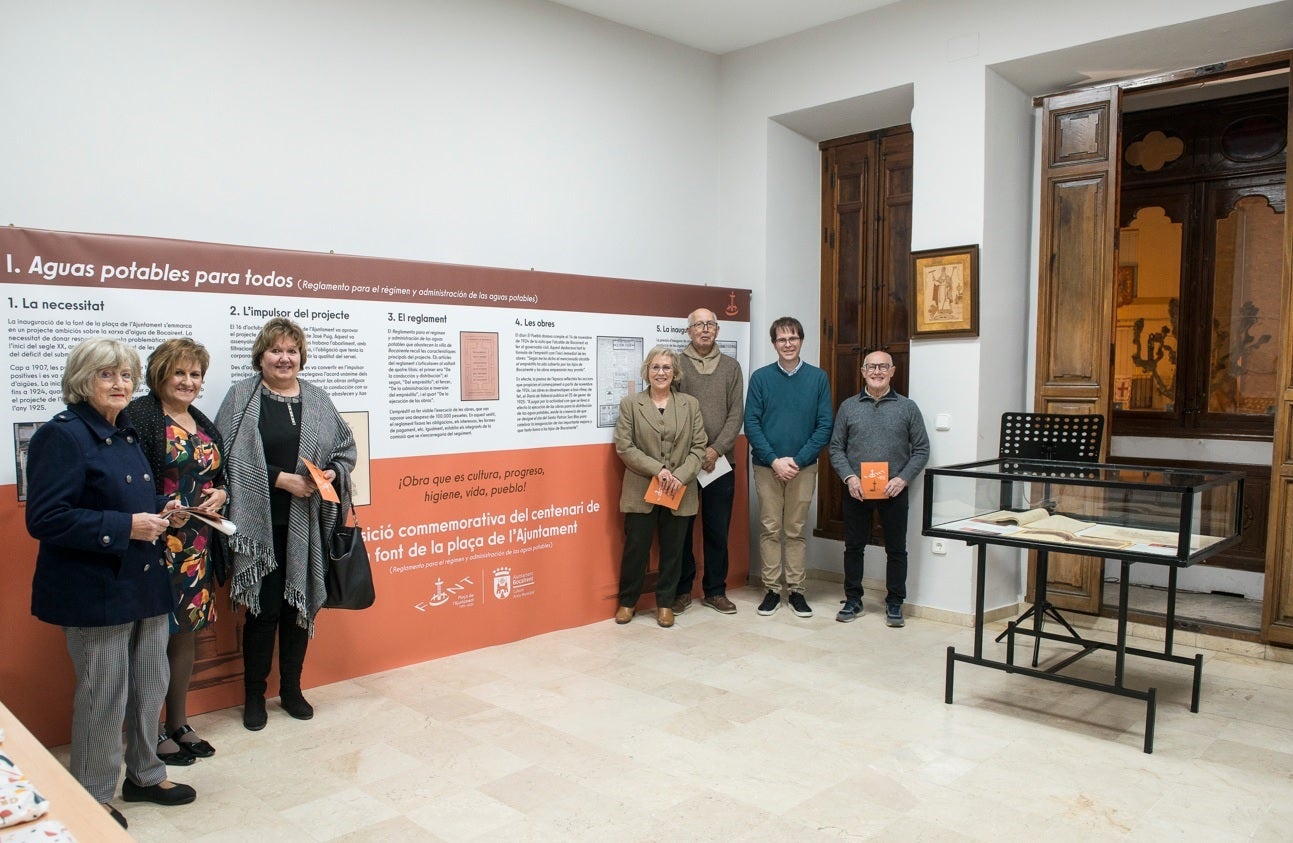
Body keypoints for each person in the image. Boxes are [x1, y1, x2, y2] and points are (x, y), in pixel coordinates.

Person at [26, 338, 197, 830]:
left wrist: (163, 512)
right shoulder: (61, 435)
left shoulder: (123, 431)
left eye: (126, 375)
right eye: (107, 375)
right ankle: (92, 795)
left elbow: (125, 501)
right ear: (83, 380)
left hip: (142, 581)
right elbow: (46, 518)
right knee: (103, 695)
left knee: (150, 684)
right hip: (94, 588)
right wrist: (126, 527)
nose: (120, 384)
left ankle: (145, 775)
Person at [216, 318, 356, 730]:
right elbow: (225, 456)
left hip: (305, 524)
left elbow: (345, 450)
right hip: (258, 527)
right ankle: (254, 697)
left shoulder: (317, 398)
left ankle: (292, 690)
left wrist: (330, 473)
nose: (284, 358)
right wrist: (281, 479)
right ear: (260, 356)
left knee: (298, 610)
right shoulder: (242, 396)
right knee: (263, 612)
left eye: (292, 350)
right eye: (275, 350)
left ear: (301, 357)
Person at [128, 338, 227, 764]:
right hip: (153, 545)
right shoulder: (139, 417)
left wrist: (222, 493)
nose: (188, 381)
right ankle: (148, 731)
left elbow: (219, 475)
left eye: (195, 374)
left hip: (196, 547)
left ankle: (179, 723)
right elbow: (127, 482)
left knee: (186, 634)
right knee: (149, 641)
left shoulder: (201, 420)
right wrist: (161, 509)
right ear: (160, 375)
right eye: (179, 372)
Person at [828, 349, 929, 628]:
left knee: (896, 549)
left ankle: (895, 601)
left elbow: (922, 449)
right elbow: (836, 448)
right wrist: (850, 478)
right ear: (863, 372)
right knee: (853, 547)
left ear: (892, 371)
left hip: (893, 490)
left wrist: (903, 478)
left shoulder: (908, 408)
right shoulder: (849, 407)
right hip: (857, 490)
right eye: (871, 367)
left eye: (883, 367)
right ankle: (853, 599)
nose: (877, 372)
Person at [744, 317, 833, 619]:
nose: (788, 344)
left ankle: (796, 591)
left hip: (802, 468)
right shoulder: (760, 378)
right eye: (782, 339)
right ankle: (772, 590)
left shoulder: (818, 378)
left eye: (793, 338)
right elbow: (751, 423)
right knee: (770, 528)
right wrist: (774, 460)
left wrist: (798, 460)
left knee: (794, 530)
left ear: (801, 340)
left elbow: (825, 425)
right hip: (767, 467)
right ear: (774, 344)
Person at [613, 346, 707, 628]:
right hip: (641, 488)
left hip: (680, 489)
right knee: (636, 549)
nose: (661, 372)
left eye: (667, 367)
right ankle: (627, 602)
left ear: (675, 373)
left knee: (674, 551)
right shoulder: (630, 404)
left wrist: (680, 475)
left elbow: (699, 447)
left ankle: (665, 603)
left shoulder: (690, 404)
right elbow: (625, 446)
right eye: (655, 367)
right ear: (647, 371)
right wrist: (659, 470)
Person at [673, 307, 744, 615]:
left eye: (710, 325)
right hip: (685, 464)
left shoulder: (731, 367)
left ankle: (715, 591)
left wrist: (715, 450)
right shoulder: (676, 365)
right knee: (681, 530)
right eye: (698, 325)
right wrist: (695, 454)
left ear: (717, 330)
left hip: (721, 463)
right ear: (688, 331)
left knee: (717, 530)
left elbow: (736, 414)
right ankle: (682, 591)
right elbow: (672, 411)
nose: (704, 329)